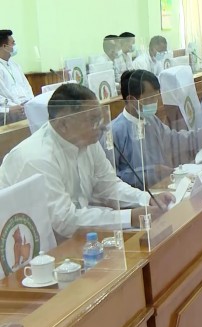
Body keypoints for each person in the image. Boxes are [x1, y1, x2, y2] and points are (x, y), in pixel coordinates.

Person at [0, 83, 172, 238]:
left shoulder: (88, 141)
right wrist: (131, 217)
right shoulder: (38, 158)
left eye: (100, 118)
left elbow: (109, 186)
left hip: (75, 235)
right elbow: (64, 221)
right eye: (93, 120)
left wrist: (146, 199)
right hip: (35, 244)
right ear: (63, 124)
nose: (101, 125)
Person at [111, 70, 202, 189]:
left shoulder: (151, 120)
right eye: (150, 99)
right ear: (131, 99)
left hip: (165, 186)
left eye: (156, 97)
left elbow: (176, 140)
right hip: (140, 194)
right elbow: (112, 178)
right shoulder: (115, 131)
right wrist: (151, 172)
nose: (155, 102)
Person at [0, 30, 35, 112]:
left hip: (26, 106)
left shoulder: (15, 65)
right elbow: (2, 96)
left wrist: (32, 101)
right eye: (13, 43)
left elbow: (26, 86)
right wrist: (15, 106)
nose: (15, 46)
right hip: (11, 111)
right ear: (4, 46)